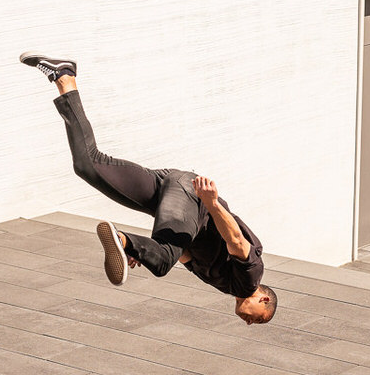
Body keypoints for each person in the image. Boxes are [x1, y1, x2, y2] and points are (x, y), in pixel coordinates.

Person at [20, 53, 276, 326]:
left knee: (88, 165)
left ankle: (64, 77)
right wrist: (212, 203)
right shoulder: (250, 280)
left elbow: (186, 253)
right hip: (192, 198)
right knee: (163, 261)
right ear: (264, 300)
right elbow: (235, 240)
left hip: (172, 187)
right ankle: (122, 239)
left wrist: (145, 250)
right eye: (258, 320)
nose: (250, 323)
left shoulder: (225, 285)